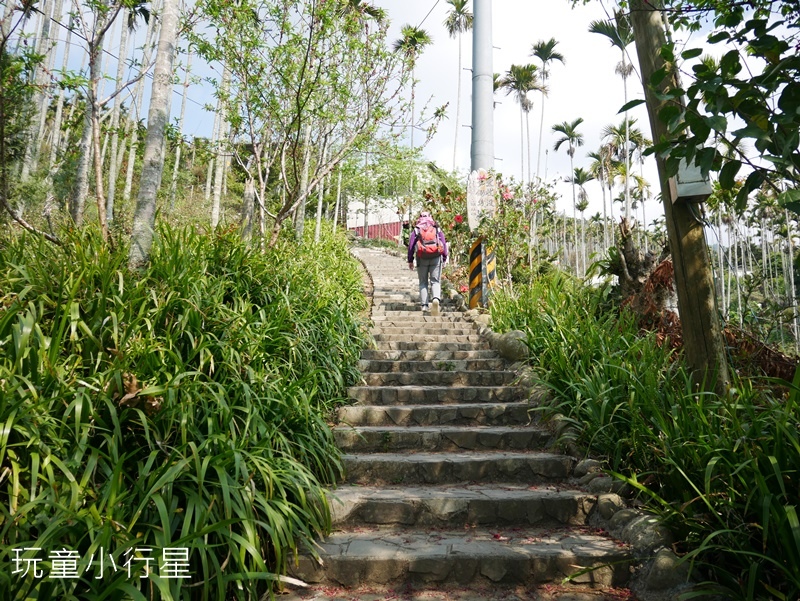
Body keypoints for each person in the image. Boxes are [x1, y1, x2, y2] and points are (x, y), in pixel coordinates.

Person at [408, 211, 448, 315]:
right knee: (435, 281)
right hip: (436, 257)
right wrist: (444, 257)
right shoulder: (436, 228)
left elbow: (411, 246)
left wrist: (410, 260)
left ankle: (424, 306)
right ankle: (436, 299)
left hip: (422, 258)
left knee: (423, 282)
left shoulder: (417, 229)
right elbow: (443, 243)